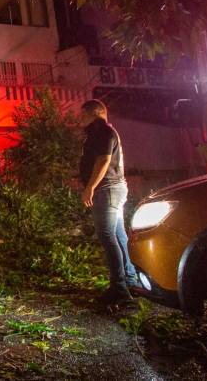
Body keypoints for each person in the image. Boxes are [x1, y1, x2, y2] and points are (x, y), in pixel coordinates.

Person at [79, 99, 140, 305]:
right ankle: (130, 279)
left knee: (107, 235)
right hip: (112, 189)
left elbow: (103, 160)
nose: (81, 120)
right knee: (118, 234)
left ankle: (119, 289)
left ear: (94, 113)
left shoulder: (103, 131)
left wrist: (90, 187)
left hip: (108, 189)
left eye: (83, 115)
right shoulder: (101, 132)